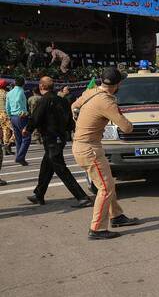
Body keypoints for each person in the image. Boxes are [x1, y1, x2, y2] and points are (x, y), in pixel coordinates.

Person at [72, 67, 141, 240]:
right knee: (106, 188)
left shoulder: (91, 92)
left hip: (84, 146)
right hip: (89, 149)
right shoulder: (107, 101)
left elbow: (74, 106)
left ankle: (116, 216)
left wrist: (81, 121)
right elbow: (126, 127)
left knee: (107, 183)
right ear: (117, 85)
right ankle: (96, 229)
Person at [23, 77, 92, 207]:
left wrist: (27, 129)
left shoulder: (45, 100)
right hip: (61, 137)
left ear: (41, 86)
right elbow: (70, 120)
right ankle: (39, 194)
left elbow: (36, 117)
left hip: (51, 138)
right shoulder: (62, 100)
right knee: (47, 166)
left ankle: (82, 197)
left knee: (60, 168)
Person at [6, 77, 31, 166]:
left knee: (18, 139)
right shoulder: (21, 92)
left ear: (15, 83)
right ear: (23, 84)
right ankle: (20, 157)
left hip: (13, 117)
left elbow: (7, 107)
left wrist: (10, 116)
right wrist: (25, 113)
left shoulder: (9, 93)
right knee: (27, 137)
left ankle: (21, 158)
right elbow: (22, 106)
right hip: (21, 116)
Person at [0, 79, 14, 155]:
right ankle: (8, 144)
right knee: (15, 130)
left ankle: (7, 149)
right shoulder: (6, 94)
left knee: (6, 131)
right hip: (5, 114)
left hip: (0, 115)